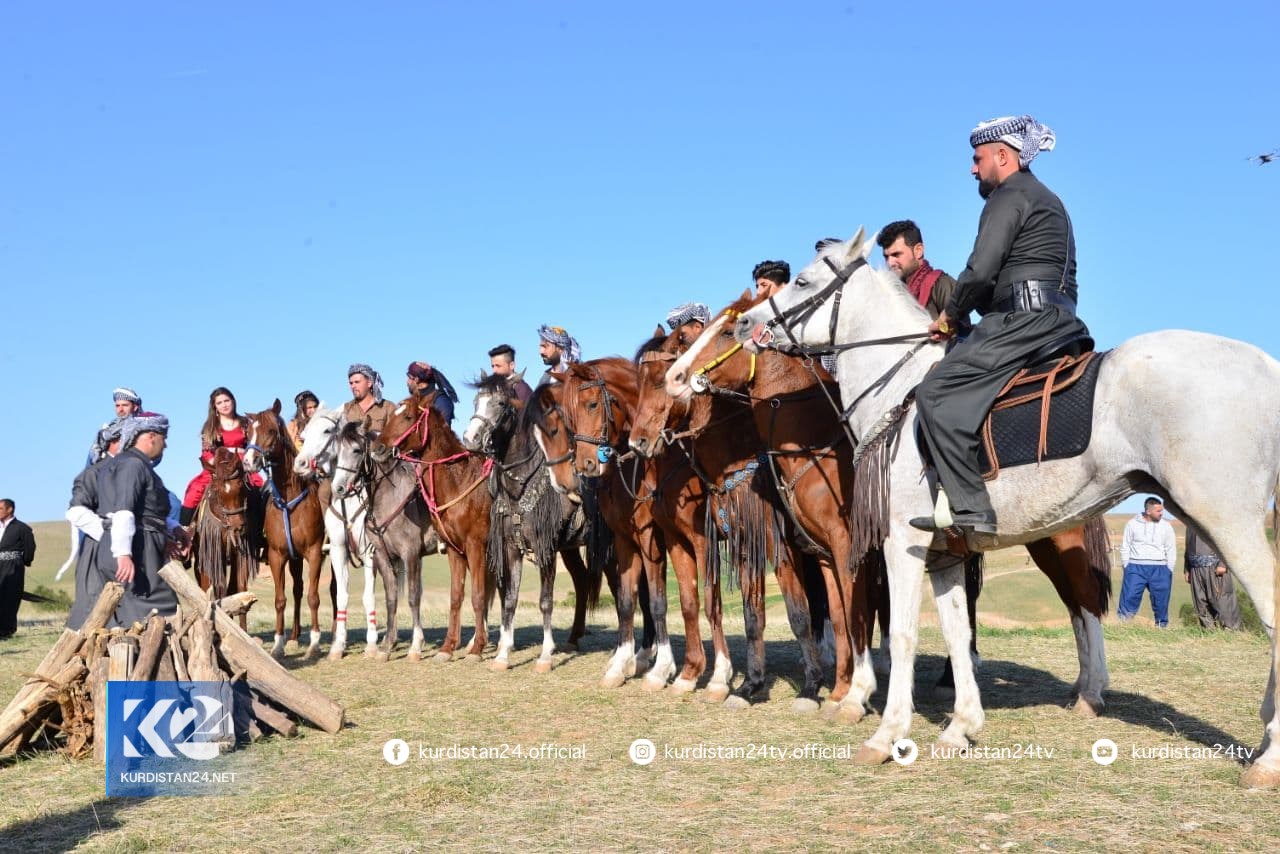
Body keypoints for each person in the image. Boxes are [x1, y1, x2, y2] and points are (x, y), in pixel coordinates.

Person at [912, 115, 1091, 535]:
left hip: (1023, 321)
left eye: (978, 159)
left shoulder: (1008, 196)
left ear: (1003, 157)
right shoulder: (1047, 197)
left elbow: (980, 271)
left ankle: (971, 507)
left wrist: (950, 315)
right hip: (1058, 316)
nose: (972, 169)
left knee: (934, 392)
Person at [96, 414, 183, 626]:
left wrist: (172, 529)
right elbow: (124, 511)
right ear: (151, 436)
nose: (165, 445)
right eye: (163, 438)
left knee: (130, 615)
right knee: (159, 611)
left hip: (135, 543)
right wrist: (123, 554)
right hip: (138, 549)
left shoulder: (119, 463)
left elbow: (144, 509)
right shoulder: (133, 465)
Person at [65, 420, 128, 629]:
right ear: (113, 441)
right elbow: (76, 511)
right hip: (99, 549)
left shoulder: (136, 472)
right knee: (95, 609)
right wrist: (108, 534)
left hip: (133, 548)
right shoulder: (93, 473)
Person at [179, 387, 256, 526]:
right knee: (194, 491)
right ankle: (185, 529)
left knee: (259, 488)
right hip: (218, 465)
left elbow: (254, 445)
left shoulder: (246, 423)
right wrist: (214, 463)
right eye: (219, 402)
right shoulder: (210, 426)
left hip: (242, 464)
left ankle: (262, 531)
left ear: (233, 401)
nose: (224, 405)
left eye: (227, 400)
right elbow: (206, 451)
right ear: (214, 406)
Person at [878, 219, 960, 321]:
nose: (890, 263)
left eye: (896, 254)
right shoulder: (888, 294)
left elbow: (960, 328)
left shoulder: (941, 284)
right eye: (886, 257)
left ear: (918, 251)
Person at [1118, 497, 1178, 627]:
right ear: (1148, 511)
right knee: (1129, 597)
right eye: (1158, 511)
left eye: (1161, 510)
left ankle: (1161, 627)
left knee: (1161, 601)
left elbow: (1171, 549)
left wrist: (1169, 569)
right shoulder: (1132, 524)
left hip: (1160, 568)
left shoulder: (1166, 526)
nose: (1161, 513)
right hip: (1135, 567)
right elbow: (1125, 546)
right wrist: (1126, 565)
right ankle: (1123, 626)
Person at [1184, 524, 1244, 630]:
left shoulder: (1215, 519)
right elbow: (1188, 546)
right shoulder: (1190, 522)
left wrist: (1223, 564)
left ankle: (1231, 631)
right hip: (1195, 569)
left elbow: (1228, 542)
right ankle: (1209, 631)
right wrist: (1187, 569)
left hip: (1215, 568)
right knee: (1201, 602)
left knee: (1222, 601)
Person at [0, 499, 37, 639]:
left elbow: (30, 548)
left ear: (10, 510)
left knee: (10, 596)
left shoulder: (22, 528)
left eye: (0, 508)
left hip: (12, 566)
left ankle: (6, 630)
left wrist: (23, 562)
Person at [89, 386, 142, 464]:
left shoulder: (141, 427)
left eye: (125, 405)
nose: (120, 409)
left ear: (135, 407)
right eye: (117, 406)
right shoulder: (110, 427)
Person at [345, 363, 397, 434]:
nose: (353, 386)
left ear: (369, 383)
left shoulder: (388, 407)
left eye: (357, 382)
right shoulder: (346, 409)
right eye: (351, 383)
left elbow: (395, 435)